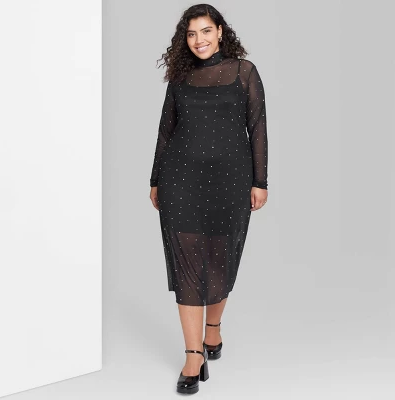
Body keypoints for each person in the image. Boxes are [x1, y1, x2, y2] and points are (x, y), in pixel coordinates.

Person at [149, 3, 268, 394]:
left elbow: (257, 127)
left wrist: (260, 181)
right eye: (191, 34)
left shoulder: (244, 72)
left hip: (231, 181)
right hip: (179, 180)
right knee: (186, 266)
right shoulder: (180, 77)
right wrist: (155, 179)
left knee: (220, 259)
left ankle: (212, 329)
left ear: (219, 32)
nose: (198, 40)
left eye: (205, 31)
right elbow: (166, 130)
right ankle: (192, 356)